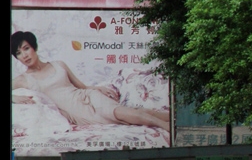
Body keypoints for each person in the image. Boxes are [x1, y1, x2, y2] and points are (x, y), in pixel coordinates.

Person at [10, 31, 170, 131]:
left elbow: (81, 86)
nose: (24, 55)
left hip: (88, 97)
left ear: (34, 47)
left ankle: (165, 124)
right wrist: (14, 97)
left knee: (119, 112)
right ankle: (168, 118)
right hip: (77, 113)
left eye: (26, 48)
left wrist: (98, 89)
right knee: (123, 115)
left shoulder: (59, 65)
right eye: (18, 53)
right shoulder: (24, 79)